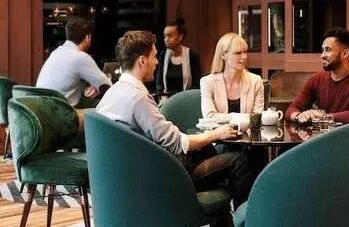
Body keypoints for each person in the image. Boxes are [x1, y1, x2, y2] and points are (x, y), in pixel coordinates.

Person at [96, 30, 252, 209]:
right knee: (238, 160)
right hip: (157, 179)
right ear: (142, 61)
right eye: (154, 57)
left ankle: (218, 223)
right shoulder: (138, 98)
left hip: (124, 176)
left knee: (207, 151)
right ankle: (242, 222)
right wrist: (216, 134)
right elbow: (176, 143)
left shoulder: (112, 93)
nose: (157, 62)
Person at [285, 27, 349, 124]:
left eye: (328, 50)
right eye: (323, 50)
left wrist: (320, 117)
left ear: (345, 53)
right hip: (325, 132)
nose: (322, 55)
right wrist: (299, 116)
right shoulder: (317, 79)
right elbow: (292, 109)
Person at [36, 17, 111, 108]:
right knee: (107, 108)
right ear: (87, 38)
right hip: (61, 112)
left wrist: (93, 87)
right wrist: (100, 86)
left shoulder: (56, 52)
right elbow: (107, 86)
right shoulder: (81, 57)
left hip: (43, 108)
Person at [200, 33, 264, 121]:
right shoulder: (207, 82)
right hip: (218, 130)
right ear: (223, 55)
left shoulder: (256, 81)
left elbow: (257, 117)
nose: (244, 57)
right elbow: (209, 116)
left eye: (245, 52)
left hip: (247, 130)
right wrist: (240, 117)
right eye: (238, 53)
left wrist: (224, 117)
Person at [156, 18, 202, 97]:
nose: (166, 40)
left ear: (180, 36)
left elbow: (196, 83)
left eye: (170, 36)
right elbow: (159, 83)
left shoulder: (191, 55)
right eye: (165, 36)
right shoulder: (163, 55)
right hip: (166, 100)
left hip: (186, 99)